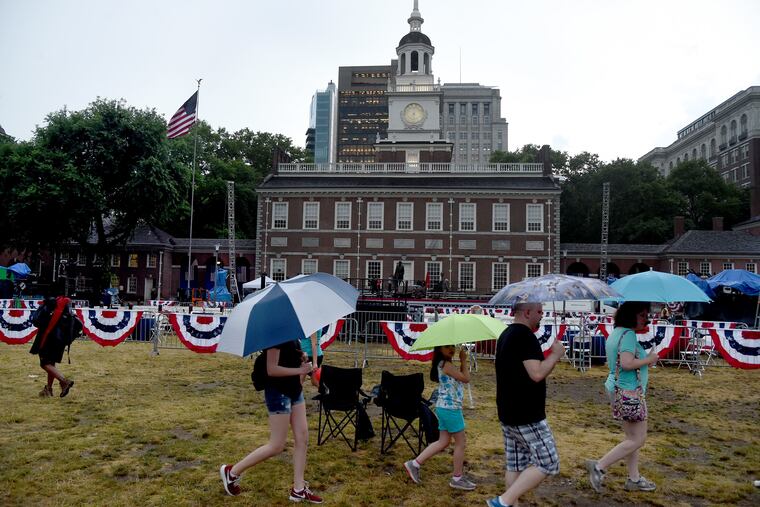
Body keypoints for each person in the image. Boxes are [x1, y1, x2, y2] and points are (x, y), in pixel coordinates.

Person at [220, 339, 323, 503]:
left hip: (295, 390)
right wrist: (300, 369)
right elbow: (272, 369)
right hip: (278, 393)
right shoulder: (275, 335)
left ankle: (299, 489)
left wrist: (301, 357)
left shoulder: (291, 333)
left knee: (302, 438)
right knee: (276, 445)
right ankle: (232, 472)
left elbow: (287, 357)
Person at [487, 302, 565, 507]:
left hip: (508, 410)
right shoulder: (524, 336)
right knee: (549, 462)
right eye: (539, 312)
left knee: (515, 464)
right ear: (527, 312)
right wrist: (555, 356)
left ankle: (508, 503)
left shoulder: (507, 334)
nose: (542, 315)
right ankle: (502, 501)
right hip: (526, 414)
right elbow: (537, 373)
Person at [585, 302, 659, 494]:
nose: (646, 318)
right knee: (638, 439)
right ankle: (599, 466)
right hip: (630, 392)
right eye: (642, 315)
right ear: (630, 315)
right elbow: (626, 363)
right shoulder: (628, 335)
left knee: (631, 438)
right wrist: (649, 359)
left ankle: (634, 478)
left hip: (619, 389)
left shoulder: (617, 332)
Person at [404, 345, 475, 491]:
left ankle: (415, 464)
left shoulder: (444, 364)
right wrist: (463, 360)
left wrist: (461, 362)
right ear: (439, 350)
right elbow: (466, 378)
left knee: (443, 441)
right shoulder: (446, 364)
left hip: (444, 407)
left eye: (452, 346)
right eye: (446, 347)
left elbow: (460, 379)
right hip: (450, 408)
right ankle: (457, 478)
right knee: (461, 443)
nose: (451, 349)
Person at [29, 295, 80, 398]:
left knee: (44, 364)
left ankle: (64, 381)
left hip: (48, 338)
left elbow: (36, 320)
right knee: (51, 363)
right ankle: (49, 389)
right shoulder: (66, 306)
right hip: (60, 340)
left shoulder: (49, 304)